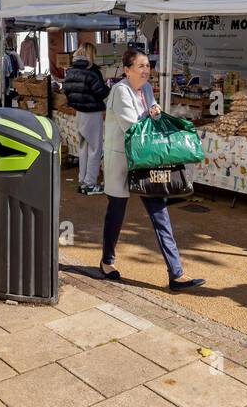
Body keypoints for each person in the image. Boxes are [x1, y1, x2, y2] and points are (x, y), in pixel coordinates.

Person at [99, 47, 204, 291]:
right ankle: (107, 261)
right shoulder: (119, 91)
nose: (146, 70)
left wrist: (155, 113)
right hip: (122, 161)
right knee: (116, 212)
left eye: (148, 66)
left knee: (160, 213)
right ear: (127, 70)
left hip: (148, 160)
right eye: (141, 66)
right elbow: (133, 127)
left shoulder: (146, 88)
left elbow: (151, 118)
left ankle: (176, 274)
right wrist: (150, 115)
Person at [63, 43, 110, 195]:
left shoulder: (70, 71)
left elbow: (67, 92)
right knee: (95, 149)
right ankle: (90, 184)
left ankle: (82, 180)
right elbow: (101, 92)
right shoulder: (92, 71)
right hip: (92, 112)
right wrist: (108, 87)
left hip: (79, 113)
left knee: (83, 148)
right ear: (91, 54)